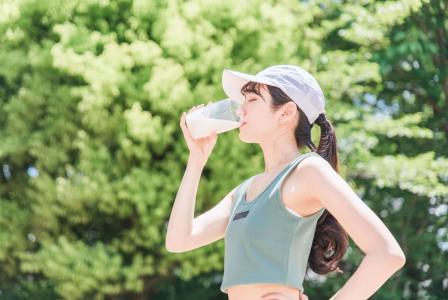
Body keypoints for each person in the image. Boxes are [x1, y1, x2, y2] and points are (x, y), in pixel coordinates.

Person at [166, 65, 406, 300]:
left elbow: (387, 254)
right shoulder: (244, 191)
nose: (241, 110)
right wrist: (196, 160)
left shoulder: (308, 171)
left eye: (252, 100)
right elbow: (179, 240)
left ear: (286, 112)